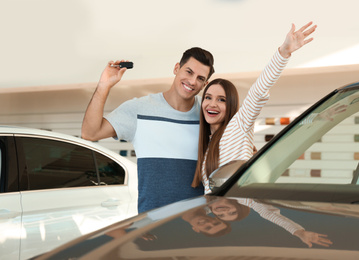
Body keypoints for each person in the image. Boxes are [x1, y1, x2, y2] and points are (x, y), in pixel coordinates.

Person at [81, 47, 215, 213]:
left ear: (205, 84)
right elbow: (90, 133)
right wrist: (104, 85)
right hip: (152, 227)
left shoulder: (209, 114)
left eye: (200, 78)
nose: (193, 81)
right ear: (176, 68)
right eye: (189, 72)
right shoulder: (139, 109)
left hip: (198, 224)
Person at [191, 22, 317, 193]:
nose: (212, 104)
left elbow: (257, 92)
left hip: (239, 214)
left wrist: (283, 53)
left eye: (221, 100)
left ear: (231, 105)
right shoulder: (207, 145)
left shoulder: (238, 126)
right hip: (219, 216)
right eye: (208, 97)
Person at [208, 198, 332, 248]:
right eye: (232, 213)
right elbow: (268, 214)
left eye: (221, 215)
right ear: (240, 206)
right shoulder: (247, 199)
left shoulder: (204, 201)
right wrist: (299, 232)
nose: (224, 212)